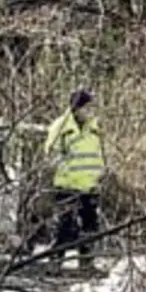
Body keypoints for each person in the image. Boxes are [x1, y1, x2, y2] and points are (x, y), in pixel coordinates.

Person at [43, 88, 106, 272]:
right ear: (76, 108)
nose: (90, 112)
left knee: (90, 227)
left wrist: (101, 173)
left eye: (92, 108)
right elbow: (50, 153)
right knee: (63, 226)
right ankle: (54, 264)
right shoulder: (61, 127)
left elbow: (99, 152)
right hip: (67, 184)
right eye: (87, 107)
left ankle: (86, 263)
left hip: (90, 185)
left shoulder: (94, 127)